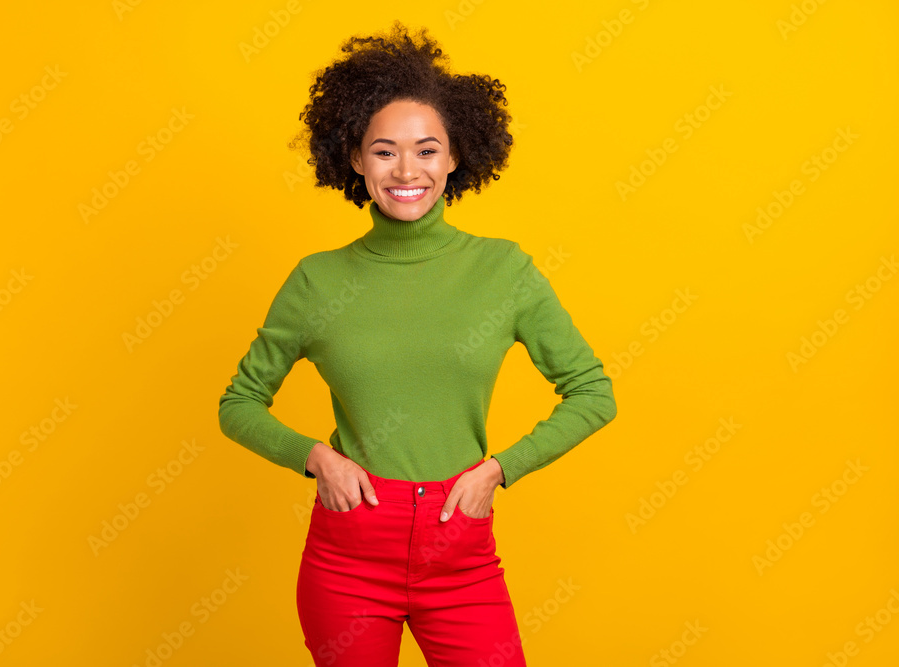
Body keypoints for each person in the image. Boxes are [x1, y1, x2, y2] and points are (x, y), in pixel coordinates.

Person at [218, 20, 617, 667]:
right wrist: (316, 456)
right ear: (354, 157)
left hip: (461, 555)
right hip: (348, 556)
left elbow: (593, 392)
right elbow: (237, 402)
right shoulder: (318, 280)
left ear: (456, 156)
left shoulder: (504, 271)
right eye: (384, 151)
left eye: (427, 150)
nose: (407, 169)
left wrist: (499, 468)